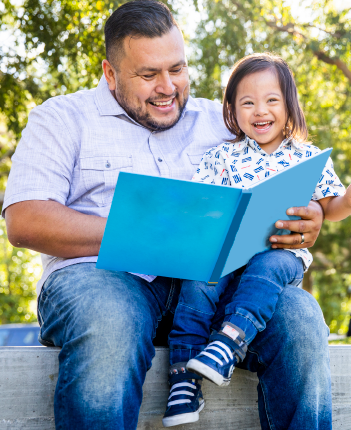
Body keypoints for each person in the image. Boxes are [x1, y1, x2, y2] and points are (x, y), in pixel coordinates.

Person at [2, 1, 331, 429]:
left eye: (177, 69)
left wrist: (309, 220)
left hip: (217, 287)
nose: (167, 87)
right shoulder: (61, 119)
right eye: (148, 74)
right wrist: (149, 233)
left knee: (302, 320)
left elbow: (288, 182)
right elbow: (26, 221)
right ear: (110, 72)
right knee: (108, 323)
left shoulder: (228, 119)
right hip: (104, 280)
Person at [162, 53, 351, 427]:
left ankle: (228, 342)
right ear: (231, 109)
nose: (259, 110)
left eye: (271, 100)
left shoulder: (307, 157)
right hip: (228, 254)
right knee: (199, 279)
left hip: (281, 253)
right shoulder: (222, 157)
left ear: (289, 105)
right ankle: (183, 378)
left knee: (270, 262)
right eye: (247, 102)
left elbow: (334, 208)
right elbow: (201, 208)